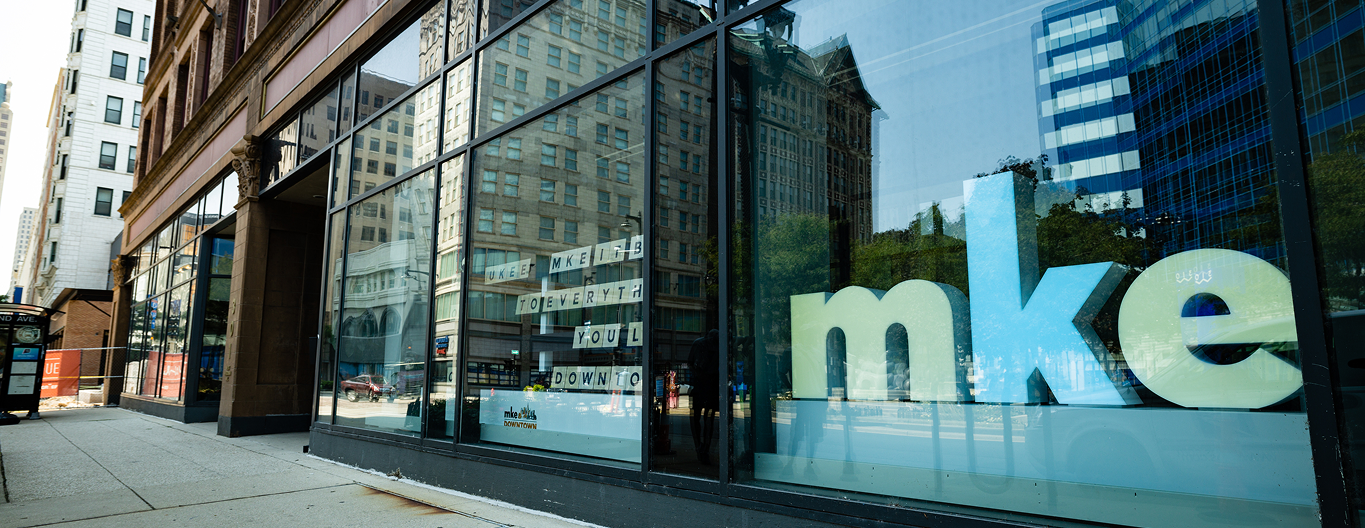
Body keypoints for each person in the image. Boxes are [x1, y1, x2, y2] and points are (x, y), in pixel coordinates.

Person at [688, 329, 720, 464]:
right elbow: (690, 363)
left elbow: (690, 363)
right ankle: (701, 447)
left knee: (706, 418)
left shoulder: (713, 345)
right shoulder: (700, 344)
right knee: (702, 417)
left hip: (709, 385)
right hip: (702, 384)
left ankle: (704, 447)